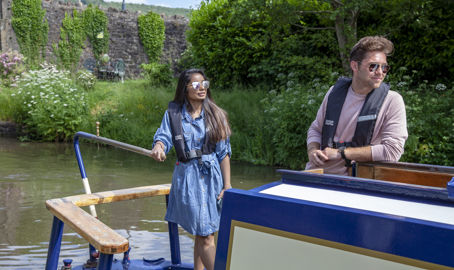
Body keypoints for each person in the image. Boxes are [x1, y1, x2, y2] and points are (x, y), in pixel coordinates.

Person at [150, 69, 232, 270]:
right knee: (205, 236)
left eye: (204, 84)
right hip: (187, 178)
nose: (201, 88)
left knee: (204, 232)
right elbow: (164, 136)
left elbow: (223, 153)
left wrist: (227, 185)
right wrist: (159, 147)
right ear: (185, 88)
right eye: (196, 85)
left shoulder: (217, 114)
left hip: (212, 178)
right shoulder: (173, 114)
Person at [305, 36, 408, 175]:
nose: (380, 72)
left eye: (384, 67)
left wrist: (340, 153)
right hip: (320, 174)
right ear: (354, 66)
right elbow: (315, 129)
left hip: (359, 182)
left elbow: (392, 151)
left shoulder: (393, 101)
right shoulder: (333, 93)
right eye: (373, 66)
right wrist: (312, 151)